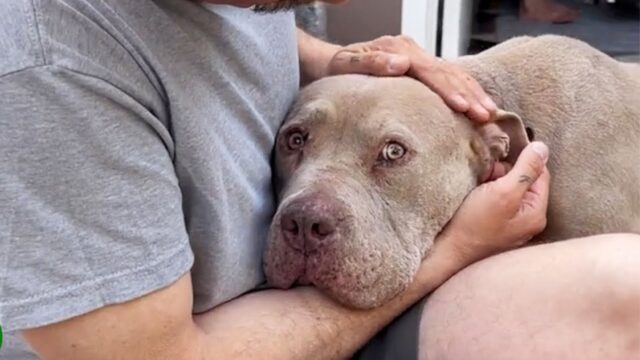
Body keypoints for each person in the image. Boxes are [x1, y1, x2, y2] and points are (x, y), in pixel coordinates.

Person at [0, 0, 637, 359]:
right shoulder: (54, 67)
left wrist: (342, 62)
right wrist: (454, 250)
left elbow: (236, 29)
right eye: (295, 142)